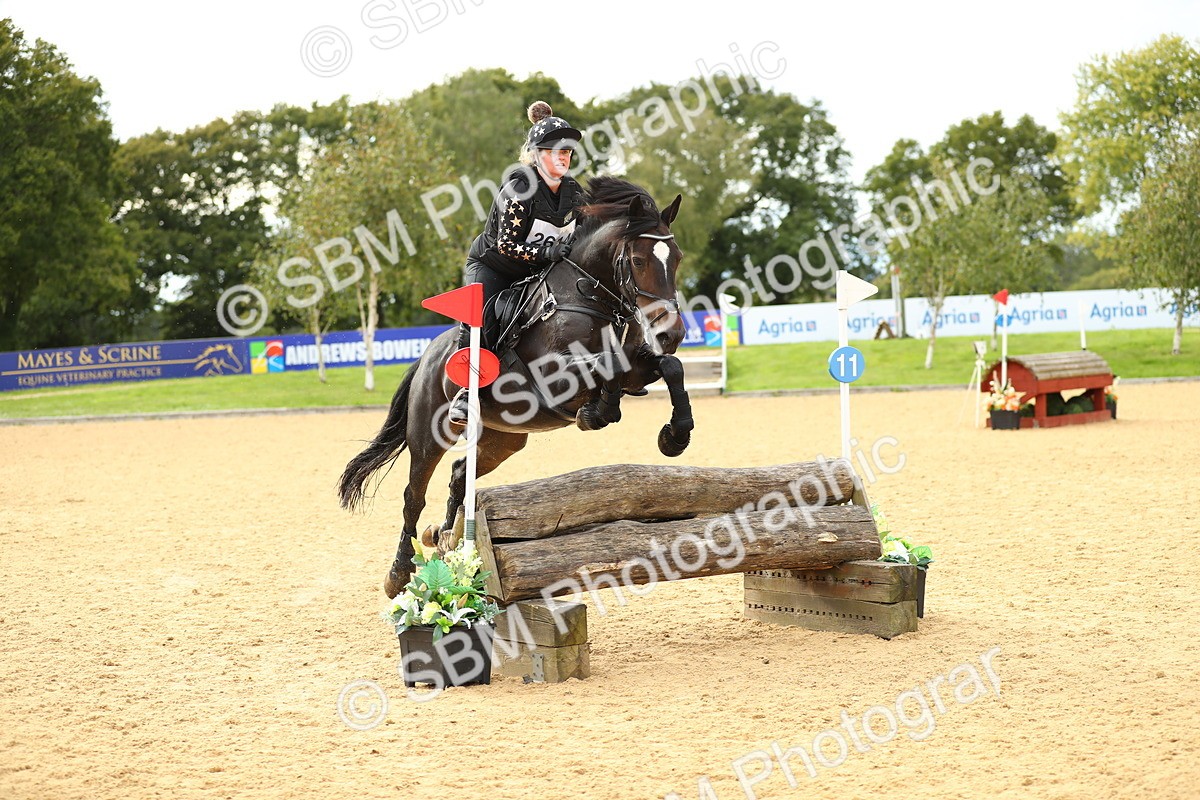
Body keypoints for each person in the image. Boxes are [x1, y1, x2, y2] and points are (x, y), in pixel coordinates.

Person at [447, 101, 586, 425]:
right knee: (481, 314)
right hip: (494, 265)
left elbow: (582, 236)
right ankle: (467, 392)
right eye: (554, 151)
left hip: (538, 272)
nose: (563, 157)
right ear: (537, 155)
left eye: (567, 152)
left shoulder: (574, 193)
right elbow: (504, 243)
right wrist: (547, 254)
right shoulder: (519, 187)